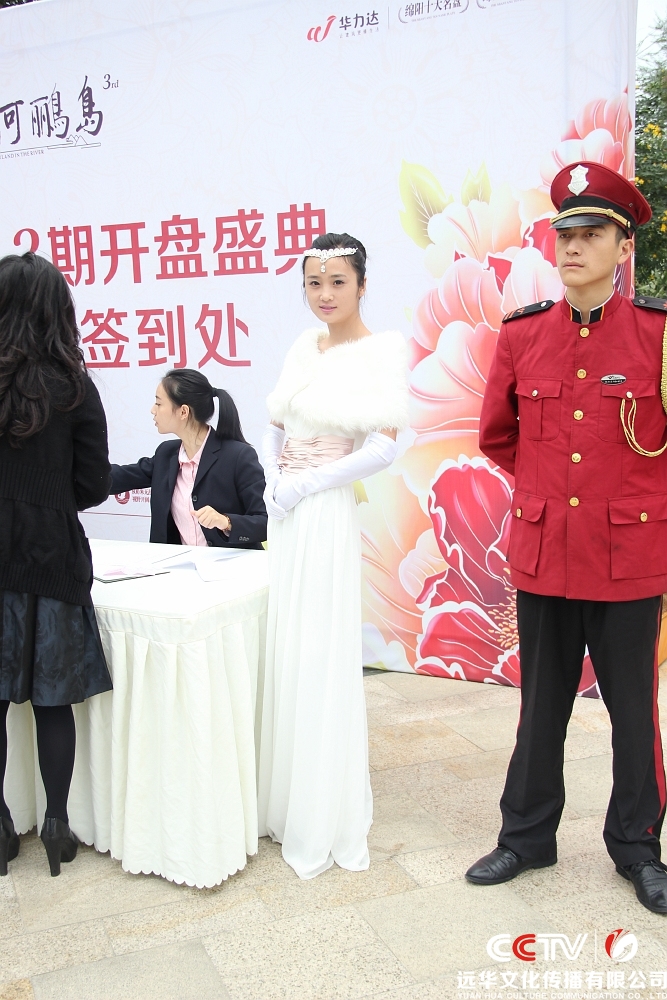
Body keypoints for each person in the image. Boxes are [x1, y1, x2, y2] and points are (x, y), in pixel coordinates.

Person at [466, 161, 667, 914]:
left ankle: (638, 849)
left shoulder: (657, 334)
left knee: (633, 715)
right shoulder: (523, 335)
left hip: (628, 560)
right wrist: (552, 491)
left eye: (591, 234)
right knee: (539, 708)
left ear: (623, 247)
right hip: (546, 554)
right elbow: (498, 434)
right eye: (565, 234)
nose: (573, 246)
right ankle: (525, 838)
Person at [257, 232, 409, 879]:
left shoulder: (382, 351)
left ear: (362, 285)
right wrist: (274, 478)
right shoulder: (302, 346)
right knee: (288, 645)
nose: (324, 294)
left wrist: (309, 483)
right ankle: (284, 802)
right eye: (314, 283)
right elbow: (275, 421)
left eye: (337, 282)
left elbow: (384, 446)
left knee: (319, 650)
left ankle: (322, 814)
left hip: (322, 514)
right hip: (288, 514)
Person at [0, 253, 112, 878]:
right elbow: (91, 484)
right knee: (52, 703)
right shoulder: (74, 388)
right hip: (53, 558)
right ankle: (57, 826)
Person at [110, 370, 267, 549]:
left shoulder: (238, 456)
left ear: (183, 411)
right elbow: (120, 477)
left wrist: (226, 522)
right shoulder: (166, 454)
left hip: (232, 564)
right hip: (180, 564)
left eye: (159, 403)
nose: (153, 410)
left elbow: (266, 521)